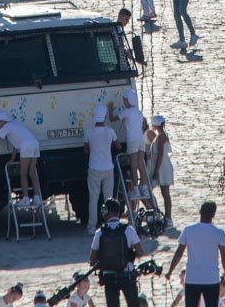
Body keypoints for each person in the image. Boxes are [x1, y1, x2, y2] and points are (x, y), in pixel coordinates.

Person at [165, 201, 225, 307]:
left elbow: (179, 253)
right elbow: (224, 256)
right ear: (213, 215)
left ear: (200, 212)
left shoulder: (188, 230)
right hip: (211, 278)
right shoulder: (219, 232)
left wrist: (170, 272)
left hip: (192, 278)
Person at [91, 197, 146, 307]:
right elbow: (141, 252)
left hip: (109, 277)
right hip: (127, 275)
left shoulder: (99, 233)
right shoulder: (128, 230)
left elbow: (92, 260)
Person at [0, 110, 42, 206]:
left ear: (0, 121)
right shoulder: (15, 124)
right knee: (32, 172)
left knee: (23, 173)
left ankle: (25, 198)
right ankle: (37, 197)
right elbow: (16, 145)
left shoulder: (6, 127)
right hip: (35, 144)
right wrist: (12, 159)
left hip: (26, 146)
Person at [84, 104, 118, 234]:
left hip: (94, 168)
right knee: (108, 198)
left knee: (93, 198)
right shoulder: (110, 131)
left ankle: (92, 226)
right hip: (108, 168)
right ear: (104, 117)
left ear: (94, 116)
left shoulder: (89, 132)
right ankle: (109, 223)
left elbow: (86, 151)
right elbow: (118, 145)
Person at [146, 115, 173, 223]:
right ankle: (157, 212)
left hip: (162, 166)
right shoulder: (160, 135)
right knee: (156, 191)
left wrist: (156, 170)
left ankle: (168, 217)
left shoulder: (161, 136)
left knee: (165, 193)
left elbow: (160, 154)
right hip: (160, 165)